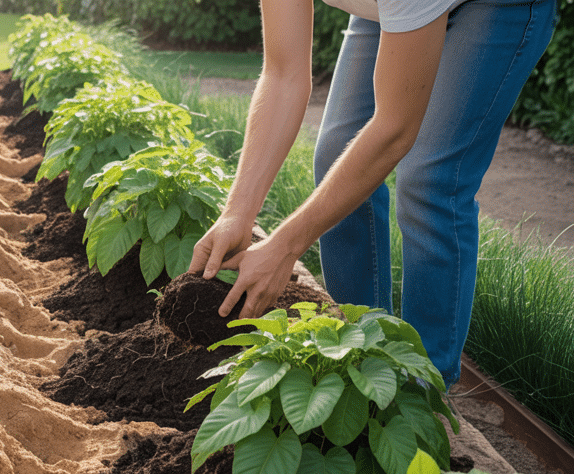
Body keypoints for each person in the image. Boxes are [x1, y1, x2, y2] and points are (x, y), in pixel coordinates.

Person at [189, 0, 556, 387]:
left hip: (496, 6)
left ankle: (423, 388)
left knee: (428, 180)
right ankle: (359, 353)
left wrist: (283, 248)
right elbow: (283, 74)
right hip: (397, 9)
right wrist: (237, 212)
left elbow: (395, 130)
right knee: (337, 151)